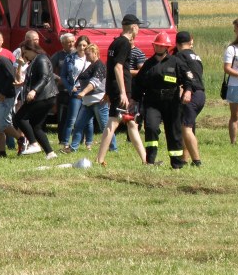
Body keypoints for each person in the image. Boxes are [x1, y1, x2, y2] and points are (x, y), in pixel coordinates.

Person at [133, 32, 193, 168]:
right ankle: (150, 161)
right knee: (151, 127)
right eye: (157, 45)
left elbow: (188, 78)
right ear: (154, 46)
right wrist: (133, 99)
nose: (159, 48)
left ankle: (176, 164)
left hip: (172, 102)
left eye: (162, 46)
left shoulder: (176, 62)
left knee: (174, 132)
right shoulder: (148, 64)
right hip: (152, 102)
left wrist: (188, 91)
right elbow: (139, 84)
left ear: (167, 47)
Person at [95, 14, 147, 167]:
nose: (139, 30)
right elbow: (118, 67)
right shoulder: (124, 43)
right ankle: (99, 159)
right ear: (134, 27)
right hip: (122, 90)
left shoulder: (115, 43)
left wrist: (107, 91)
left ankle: (146, 160)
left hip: (116, 89)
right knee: (113, 122)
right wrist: (123, 92)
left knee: (131, 123)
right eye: (138, 27)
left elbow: (109, 67)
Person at [10, 41, 58, 160]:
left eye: (25, 52)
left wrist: (34, 91)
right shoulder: (35, 60)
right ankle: (50, 153)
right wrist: (23, 84)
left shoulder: (41, 59)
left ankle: (33, 144)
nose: (24, 55)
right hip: (45, 97)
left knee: (19, 118)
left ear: (32, 50)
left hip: (43, 97)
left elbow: (44, 77)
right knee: (36, 126)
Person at [68, 43, 116, 154]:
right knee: (78, 125)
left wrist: (83, 92)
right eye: (85, 54)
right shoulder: (91, 65)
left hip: (98, 101)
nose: (86, 56)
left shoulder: (100, 65)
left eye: (88, 54)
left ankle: (113, 148)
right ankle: (73, 148)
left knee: (105, 126)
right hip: (87, 102)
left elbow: (94, 82)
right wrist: (78, 87)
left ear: (95, 53)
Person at [174, 31, 205, 166]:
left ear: (177, 43)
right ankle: (184, 159)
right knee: (187, 127)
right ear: (189, 42)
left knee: (186, 128)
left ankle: (197, 161)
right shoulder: (196, 56)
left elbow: (185, 76)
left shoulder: (179, 56)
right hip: (200, 94)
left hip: (190, 94)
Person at [59, 35, 92, 152]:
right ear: (76, 46)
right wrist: (69, 87)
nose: (82, 48)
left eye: (84, 45)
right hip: (76, 90)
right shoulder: (70, 58)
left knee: (89, 120)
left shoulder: (91, 58)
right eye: (80, 45)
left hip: (88, 91)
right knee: (71, 119)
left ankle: (88, 143)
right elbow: (63, 75)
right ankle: (65, 143)